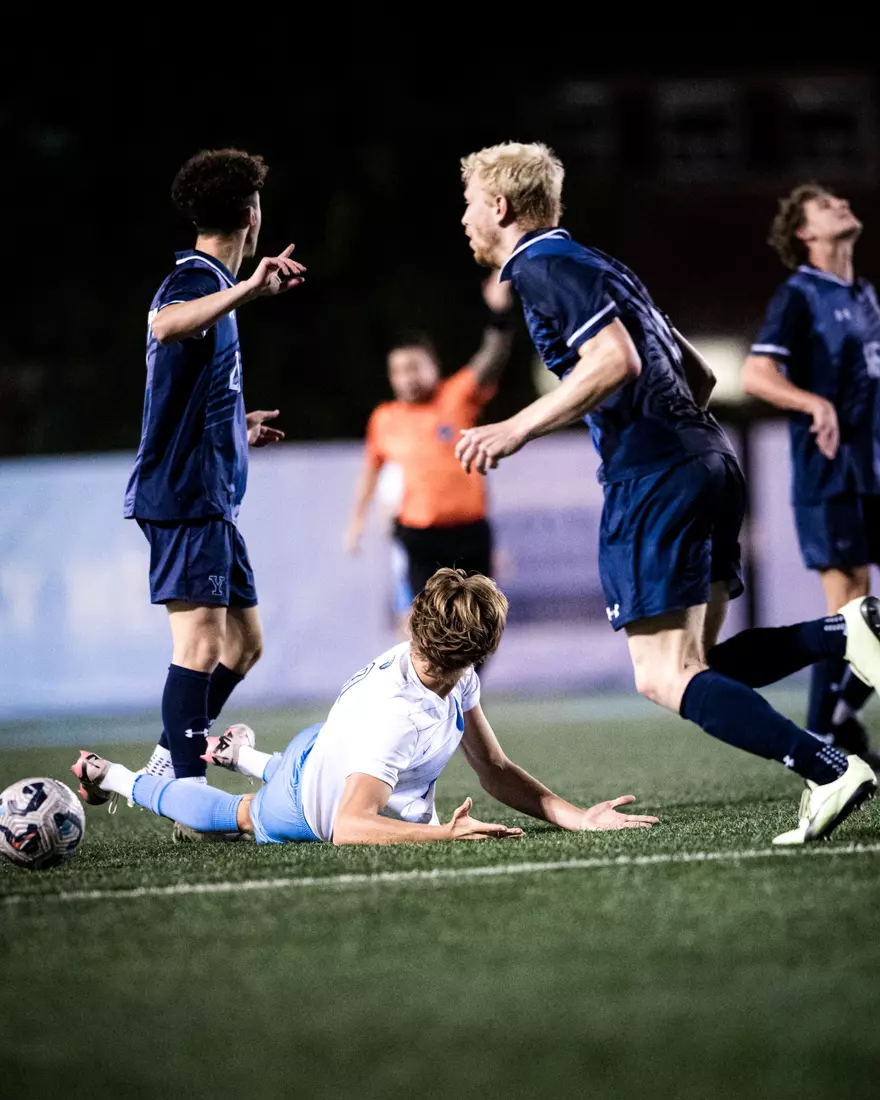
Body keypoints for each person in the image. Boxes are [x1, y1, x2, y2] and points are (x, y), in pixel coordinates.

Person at [454, 141, 879, 845]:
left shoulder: (540, 265)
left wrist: (516, 427)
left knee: (661, 677)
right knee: (699, 667)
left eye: (468, 203)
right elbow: (695, 372)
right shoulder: (598, 262)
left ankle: (828, 767)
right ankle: (841, 631)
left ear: (500, 205)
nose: (465, 218)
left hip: (654, 475)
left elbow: (615, 360)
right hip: (707, 455)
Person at [71, 569, 659, 843]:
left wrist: (578, 816)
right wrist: (443, 838)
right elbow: (350, 826)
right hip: (300, 802)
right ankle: (117, 776)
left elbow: (495, 770)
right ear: (475, 654)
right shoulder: (399, 717)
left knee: (344, 768)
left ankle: (246, 752)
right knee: (231, 819)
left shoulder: (442, 667)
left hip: (327, 743)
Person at [125, 148, 306, 789]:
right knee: (200, 648)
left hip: (210, 499)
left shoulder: (214, 289)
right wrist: (251, 287)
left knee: (243, 647)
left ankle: (173, 754)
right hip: (182, 498)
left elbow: (188, 390)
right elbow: (164, 324)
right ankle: (185, 793)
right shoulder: (196, 279)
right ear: (252, 215)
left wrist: (237, 426)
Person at [742, 183, 880, 763]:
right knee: (848, 613)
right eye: (824, 205)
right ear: (805, 233)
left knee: (864, 611)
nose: (841, 204)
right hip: (826, 472)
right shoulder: (799, 295)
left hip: (867, 468)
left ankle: (841, 719)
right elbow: (755, 374)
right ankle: (825, 737)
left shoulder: (865, 292)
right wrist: (813, 403)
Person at [344, 275, 514, 620]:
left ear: (433, 365)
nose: (407, 377)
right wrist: (357, 520)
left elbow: (492, 356)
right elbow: (371, 470)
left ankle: (472, 677)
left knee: (481, 623)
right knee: (430, 624)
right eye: (398, 370)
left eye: (414, 367)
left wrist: (500, 313)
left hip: (470, 532)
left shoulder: (457, 395)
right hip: (420, 536)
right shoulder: (385, 418)